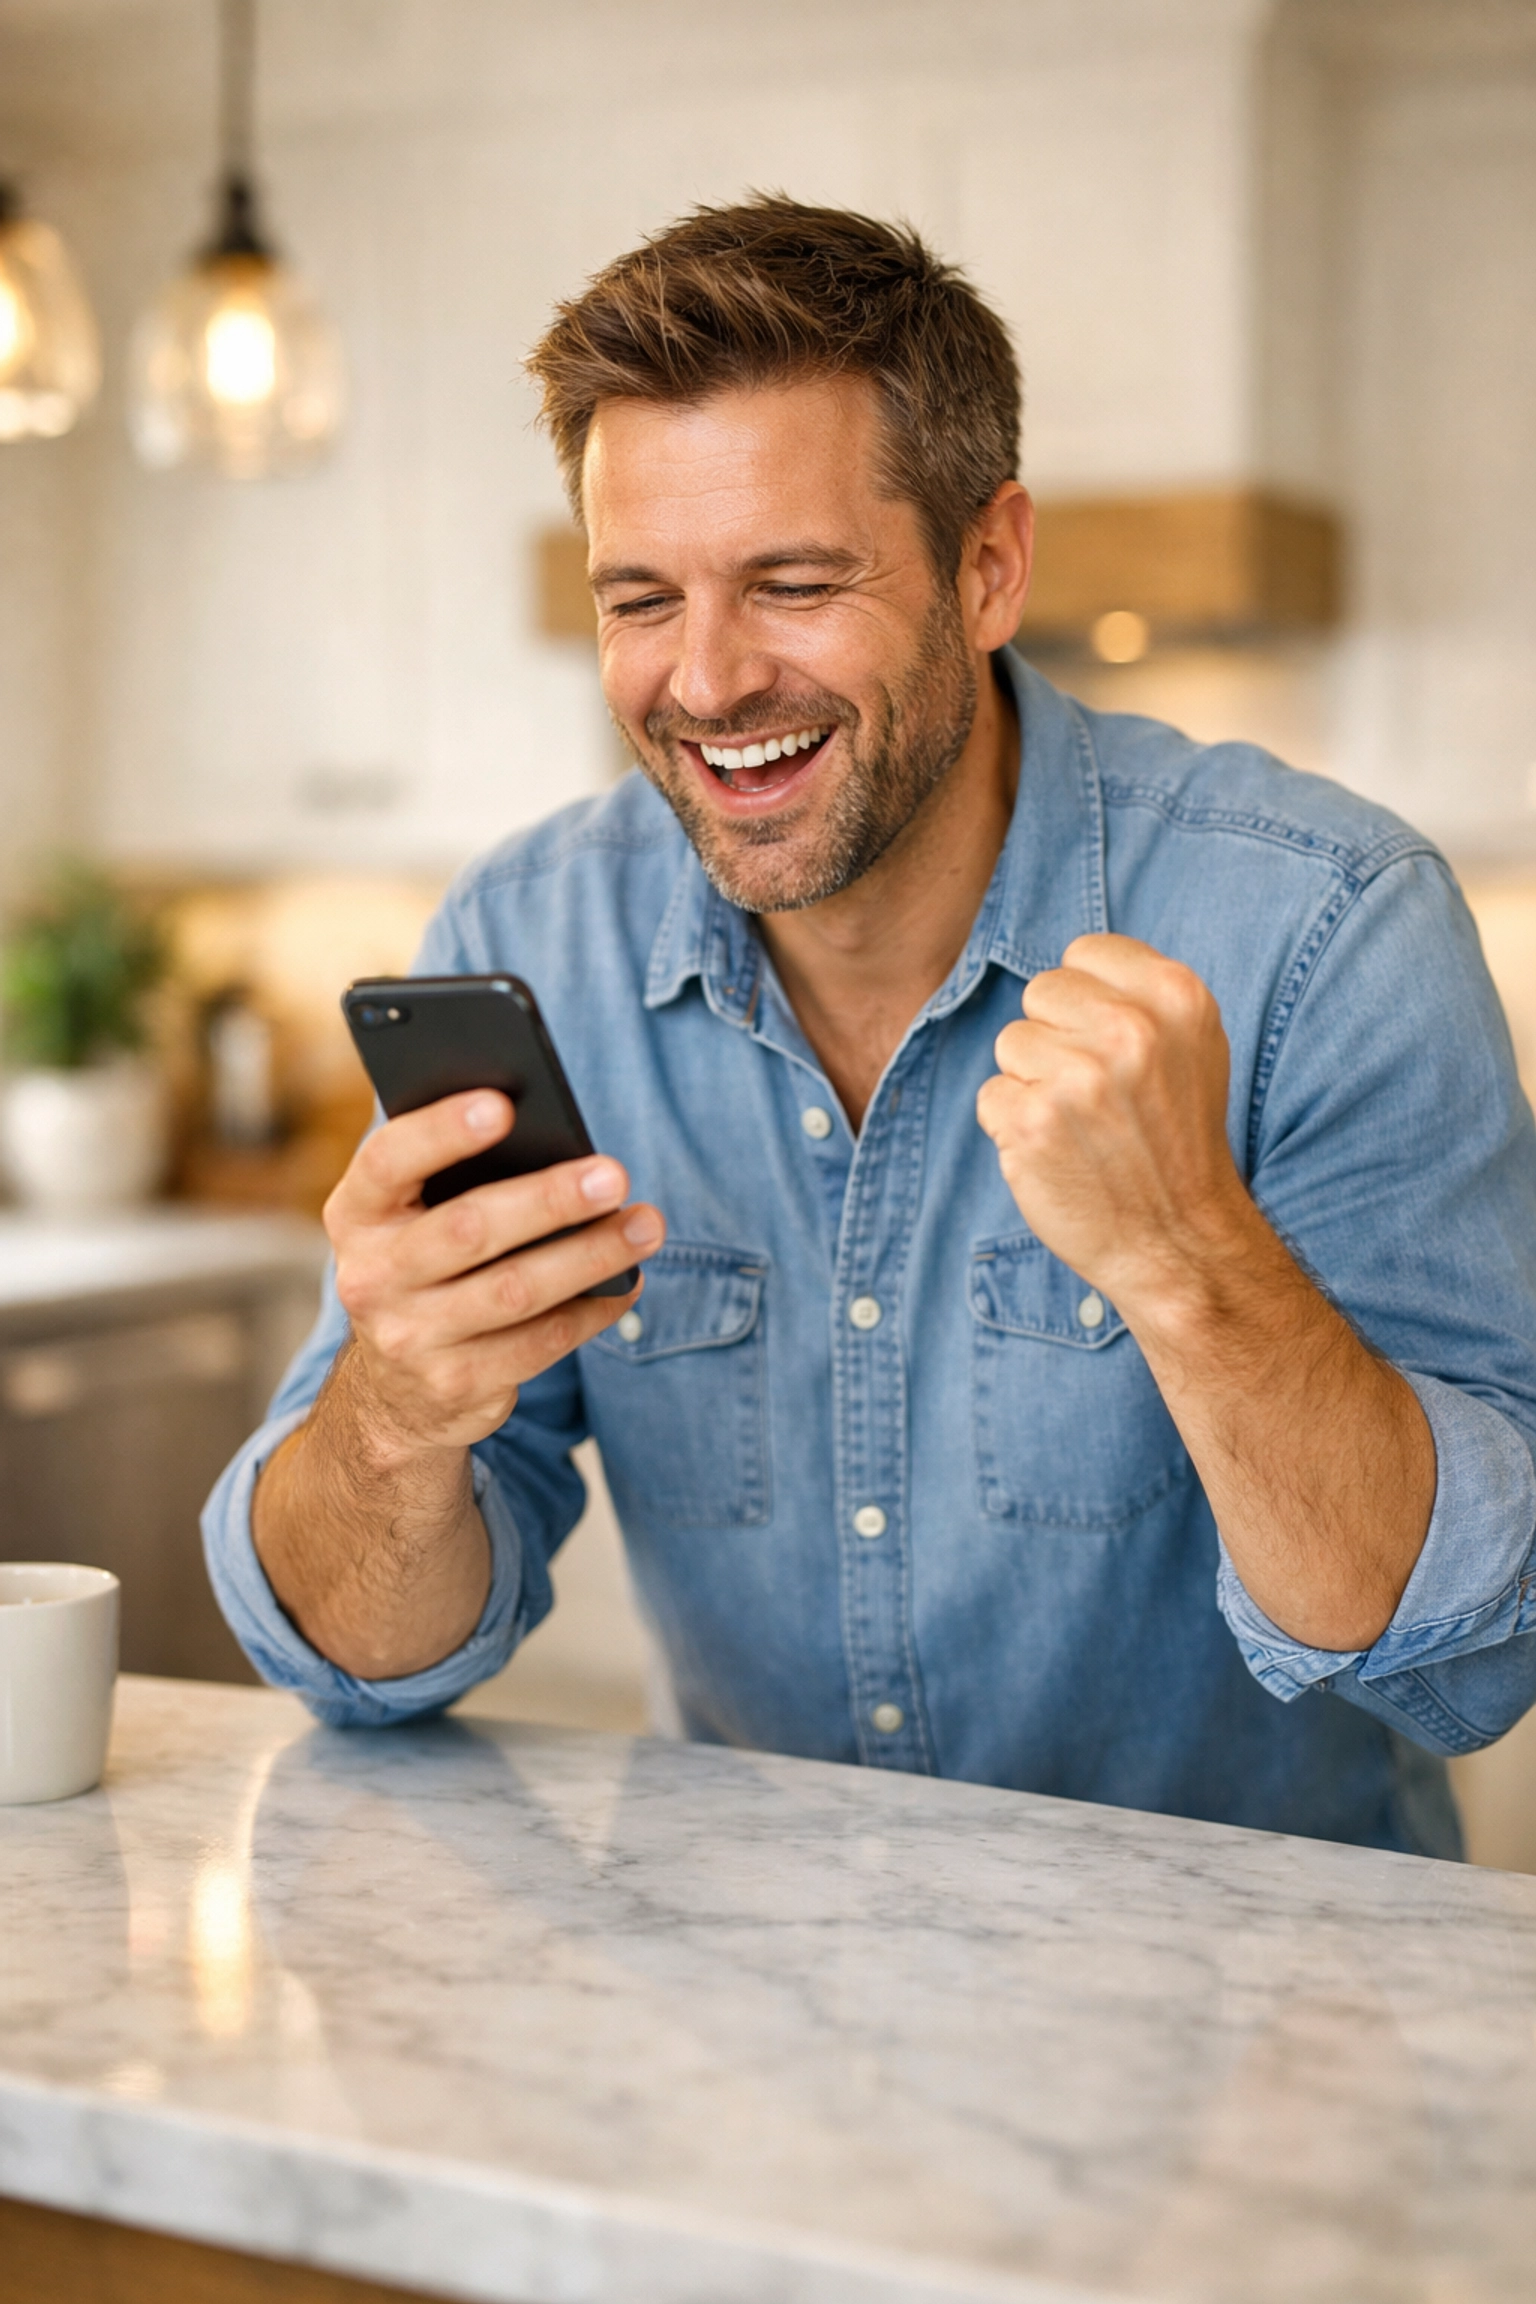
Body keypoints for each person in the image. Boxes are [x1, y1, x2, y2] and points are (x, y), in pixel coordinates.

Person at [205, 198, 1536, 1856]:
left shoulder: (1328, 927)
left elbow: (1473, 1656)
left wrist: (1192, 1255)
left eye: (793, 581)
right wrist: (394, 1416)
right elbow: (352, 1665)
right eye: (639, 600)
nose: (705, 681)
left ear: (990, 567)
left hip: (1266, 2043)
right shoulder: (528, 942)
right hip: (773, 2017)